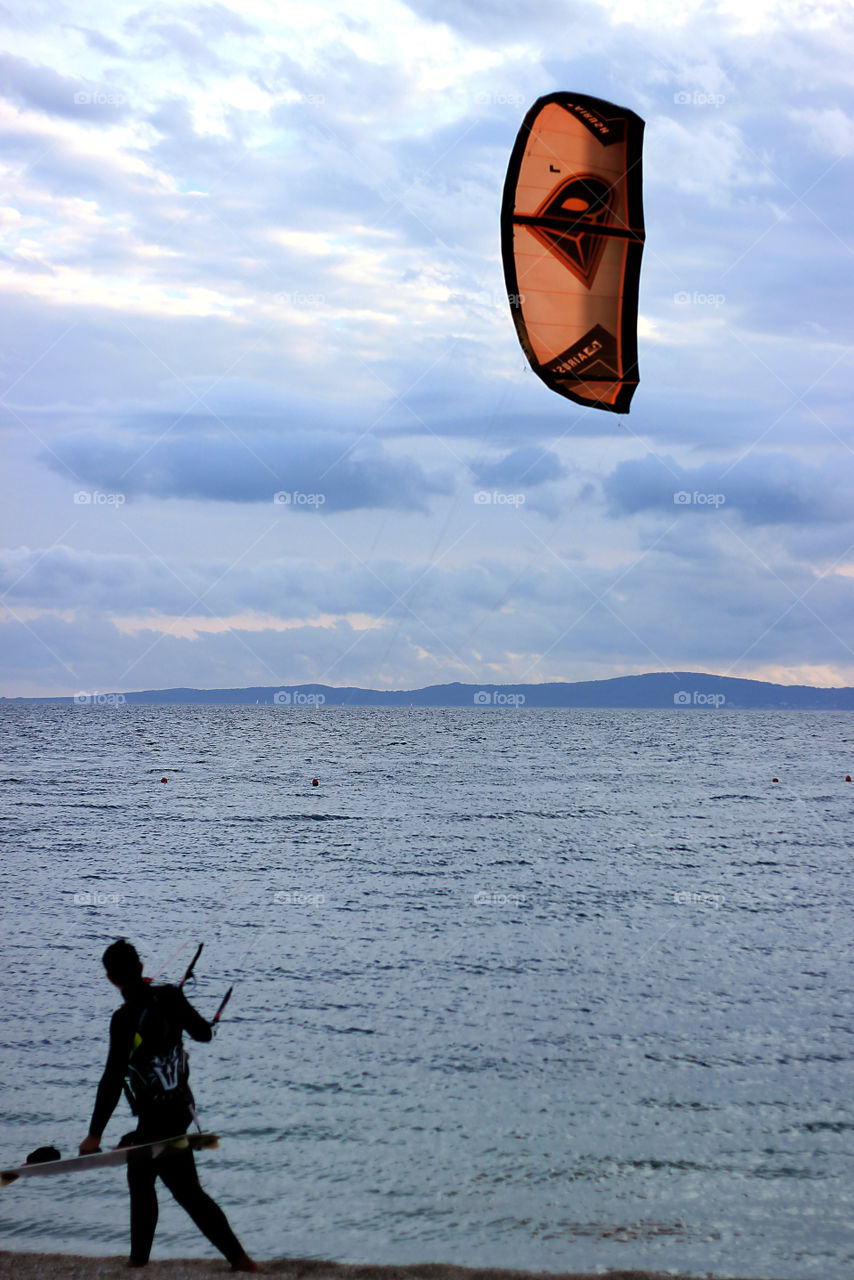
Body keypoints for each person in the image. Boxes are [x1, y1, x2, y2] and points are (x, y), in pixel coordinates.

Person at [79, 939, 258, 1272]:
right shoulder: (170, 996)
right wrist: (179, 1009)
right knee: (156, 1182)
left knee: (177, 1188)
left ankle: (238, 1261)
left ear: (111, 979)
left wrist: (94, 1135)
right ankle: (144, 1262)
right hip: (180, 1110)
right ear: (141, 967)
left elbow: (112, 1078)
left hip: (157, 1119)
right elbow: (204, 1034)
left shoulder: (124, 1018)